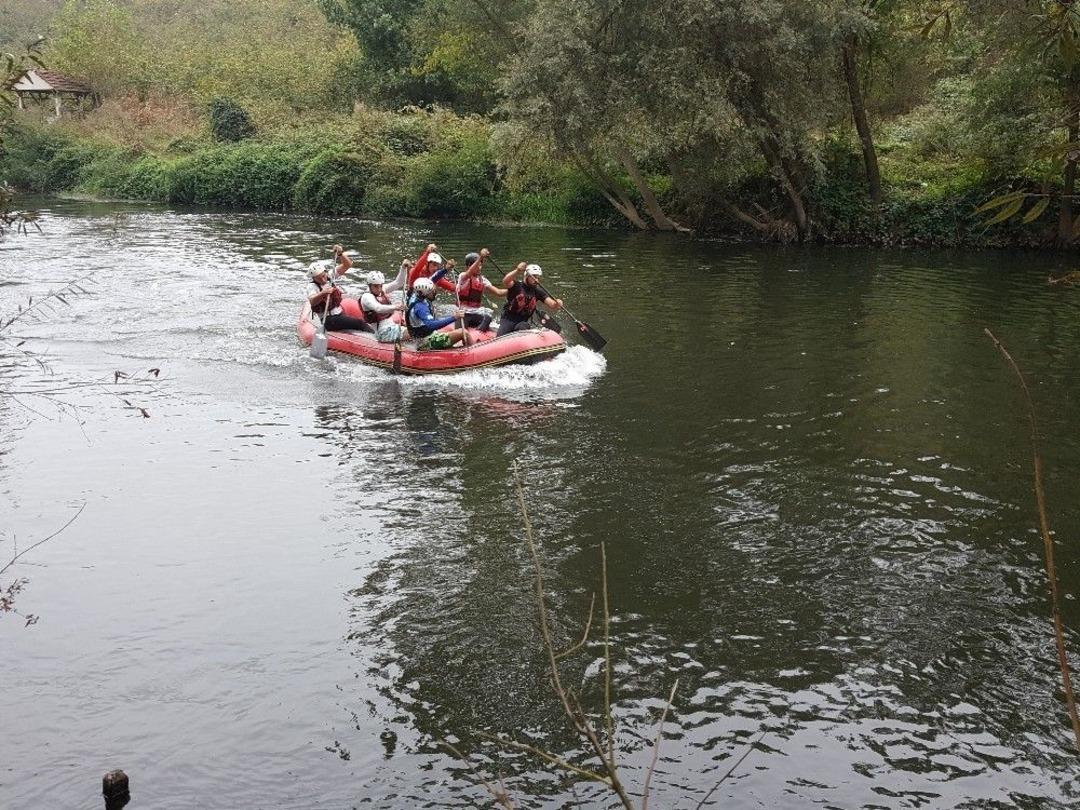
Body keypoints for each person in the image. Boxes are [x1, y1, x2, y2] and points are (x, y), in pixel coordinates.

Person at [497, 262, 563, 336]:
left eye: (538, 277)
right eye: (534, 277)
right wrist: (517, 270)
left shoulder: (537, 291)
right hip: (507, 320)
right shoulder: (516, 286)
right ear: (527, 276)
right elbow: (505, 281)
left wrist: (558, 303)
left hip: (522, 322)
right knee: (501, 335)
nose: (537, 280)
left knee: (524, 326)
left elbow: (552, 305)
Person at [308, 259, 373, 333]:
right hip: (329, 320)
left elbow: (347, 264)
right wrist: (323, 293)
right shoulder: (312, 286)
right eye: (319, 279)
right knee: (360, 323)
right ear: (313, 278)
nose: (323, 280)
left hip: (340, 314)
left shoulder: (330, 276)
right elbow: (312, 301)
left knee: (363, 320)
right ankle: (376, 339)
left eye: (323, 276)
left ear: (325, 272)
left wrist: (340, 254)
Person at [406, 276, 467, 349]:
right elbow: (431, 325)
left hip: (424, 335)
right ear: (425, 292)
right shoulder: (420, 308)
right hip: (425, 341)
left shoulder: (415, 295)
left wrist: (446, 270)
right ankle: (472, 353)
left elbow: (433, 279)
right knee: (463, 332)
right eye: (431, 291)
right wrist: (454, 317)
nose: (434, 293)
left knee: (450, 330)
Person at [455, 248, 506, 332]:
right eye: (477, 265)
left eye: (480, 265)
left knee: (488, 317)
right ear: (468, 266)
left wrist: (514, 289)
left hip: (476, 313)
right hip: (463, 313)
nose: (479, 268)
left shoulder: (483, 280)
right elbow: (469, 272)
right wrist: (481, 257)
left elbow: (499, 292)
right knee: (460, 330)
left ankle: (478, 334)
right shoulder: (463, 276)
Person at [361, 260, 409, 343]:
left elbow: (398, 283)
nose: (379, 289)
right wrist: (396, 307)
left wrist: (403, 268)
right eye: (376, 286)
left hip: (391, 326)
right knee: (415, 332)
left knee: (415, 330)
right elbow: (378, 308)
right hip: (382, 333)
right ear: (370, 285)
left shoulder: (381, 290)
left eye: (380, 286)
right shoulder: (366, 297)